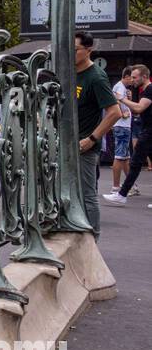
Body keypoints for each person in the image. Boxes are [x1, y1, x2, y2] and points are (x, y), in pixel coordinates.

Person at [74, 32, 121, 237]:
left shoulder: (96, 77)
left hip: (85, 147)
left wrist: (91, 139)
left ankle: (93, 237)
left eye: (75, 50)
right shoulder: (69, 72)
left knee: (87, 195)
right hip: (66, 144)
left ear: (89, 50)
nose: (71, 53)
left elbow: (115, 112)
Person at [102, 64, 152, 209]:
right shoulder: (145, 90)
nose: (133, 80)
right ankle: (121, 194)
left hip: (148, 132)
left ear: (144, 76)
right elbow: (138, 111)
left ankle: (121, 194)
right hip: (147, 130)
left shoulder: (149, 89)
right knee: (133, 161)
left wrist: (121, 99)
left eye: (135, 77)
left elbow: (139, 108)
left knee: (135, 162)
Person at [111, 67, 136, 194]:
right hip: (122, 125)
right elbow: (115, 99)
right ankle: (116, 188)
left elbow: (121, 101)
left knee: (125, 157)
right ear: (126, 76)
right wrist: (121, 113)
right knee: (120, 156)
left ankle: (131, 185)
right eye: (132, 77)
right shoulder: (120, 87)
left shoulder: (122, 88)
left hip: (123, 125)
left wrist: (129, 100)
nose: (133, 80)